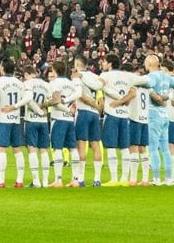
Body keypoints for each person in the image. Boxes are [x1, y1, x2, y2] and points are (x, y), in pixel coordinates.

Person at [132, 55, 174, 185]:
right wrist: (166, 95)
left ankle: (156, 178)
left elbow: (144, 83)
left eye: (145, 63)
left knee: (154, 148)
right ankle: (169, 178)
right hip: (165, 116)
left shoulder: (151, 77)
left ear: (149, 64)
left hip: (154, 115)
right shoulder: (167, 77)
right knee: (165, 148)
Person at [0, 58, 27, 188]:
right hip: (15, 119)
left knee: (1, 149)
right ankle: (19, 180)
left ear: (2, 68)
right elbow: (24, 99)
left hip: (3, 119)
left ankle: (0, 180)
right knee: (17, 149)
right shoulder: (19, 83)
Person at [98, 53, 136, 186]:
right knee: (125, 148)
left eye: (104, 62)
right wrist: (122, 101)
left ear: (109, 64)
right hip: (125, 115)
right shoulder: (126, 76)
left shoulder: (105, 75)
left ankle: (114, 179)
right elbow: (132, 93)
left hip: (112, 114)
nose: (103, 64)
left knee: (111, 147)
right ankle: (125, 179)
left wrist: (116, 101)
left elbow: (99, 86)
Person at [45, 60, 79, 188]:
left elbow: (56, 101)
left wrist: (46, 103)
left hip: (58, 119)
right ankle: (75, 179)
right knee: (72, 148)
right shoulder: (71, 84)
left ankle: (58, 179)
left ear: (54, 70)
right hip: (70, 120)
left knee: (57, 148)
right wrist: (70, 111)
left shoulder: (54, 83)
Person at [72, 57, 104, 186]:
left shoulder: (77, 76)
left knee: (81, 145)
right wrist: (97, 107)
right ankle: (97, 179)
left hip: (84, 112)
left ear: (78, 64)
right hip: (95, 114)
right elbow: (101, 100)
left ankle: (81, 179)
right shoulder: (96, 77)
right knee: (95, 145)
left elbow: (81, 96)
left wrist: (93, 105)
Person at [21, 65, 52, 188]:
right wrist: (44, 111)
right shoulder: (46, 84)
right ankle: (45, 181)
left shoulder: (27, 84)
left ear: (27, 75)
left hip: (31, 120)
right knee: (44, 150)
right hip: (44, 121)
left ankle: (36, 181)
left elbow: (28, 100)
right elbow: (50, 101)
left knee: (32, 149)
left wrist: (38, 110)